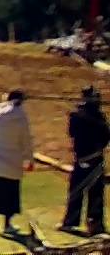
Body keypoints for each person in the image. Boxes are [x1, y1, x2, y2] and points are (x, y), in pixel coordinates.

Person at [61, 86, 110, 235]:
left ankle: (73, 222)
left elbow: (73, 132)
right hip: (94, 159)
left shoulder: (78, 116)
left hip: (84, 159)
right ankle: (95, 223)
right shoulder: (97, 117)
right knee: (94, 194)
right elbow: (106, 137)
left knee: (78, 191)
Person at [0, 89, 35, 235]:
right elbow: (26, 140)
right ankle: (7, 225)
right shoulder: (21, 117)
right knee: (10, 195)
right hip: (13, 161)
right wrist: (29, 159)